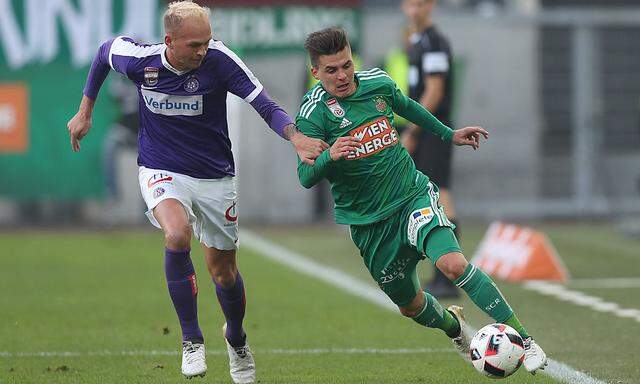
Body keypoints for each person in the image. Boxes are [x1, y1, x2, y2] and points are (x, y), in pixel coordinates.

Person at [66, 1, 327, 382]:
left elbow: (265, 104)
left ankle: (236, 339)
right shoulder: (142, 62)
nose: (203, 50)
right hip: (161, 168)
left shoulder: (220, 60)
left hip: (214, 177)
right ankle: (191, 340)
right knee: (176, 234)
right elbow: (104, 52)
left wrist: (296, 138)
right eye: (194, 45)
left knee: (224, 274)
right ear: (170, 41)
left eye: (207, 41)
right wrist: (85, 109)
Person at [295, 27, 548, 375]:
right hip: (370, 225)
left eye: (346, 65)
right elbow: (305, 177)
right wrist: (330, 156)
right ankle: (454, 328)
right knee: (410, 305)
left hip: (411, 195)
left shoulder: (377, 84)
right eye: (331, 70)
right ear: (315, 72)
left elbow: (408, 107)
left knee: (453, 264)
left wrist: (449, 133)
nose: (342, 75)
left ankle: (526, 340)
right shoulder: (313, 114)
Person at [401, 0, 459, 298]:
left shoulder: (435, 42)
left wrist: (413, 130)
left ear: (430, 6)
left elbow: (434, 90)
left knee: (440, 192)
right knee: (432, 194)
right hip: (425, 130)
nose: (414, 9)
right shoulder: (417, 41)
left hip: (434, 129)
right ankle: (442, 273)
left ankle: (448, 277)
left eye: (420, 4)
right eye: (410, 3)